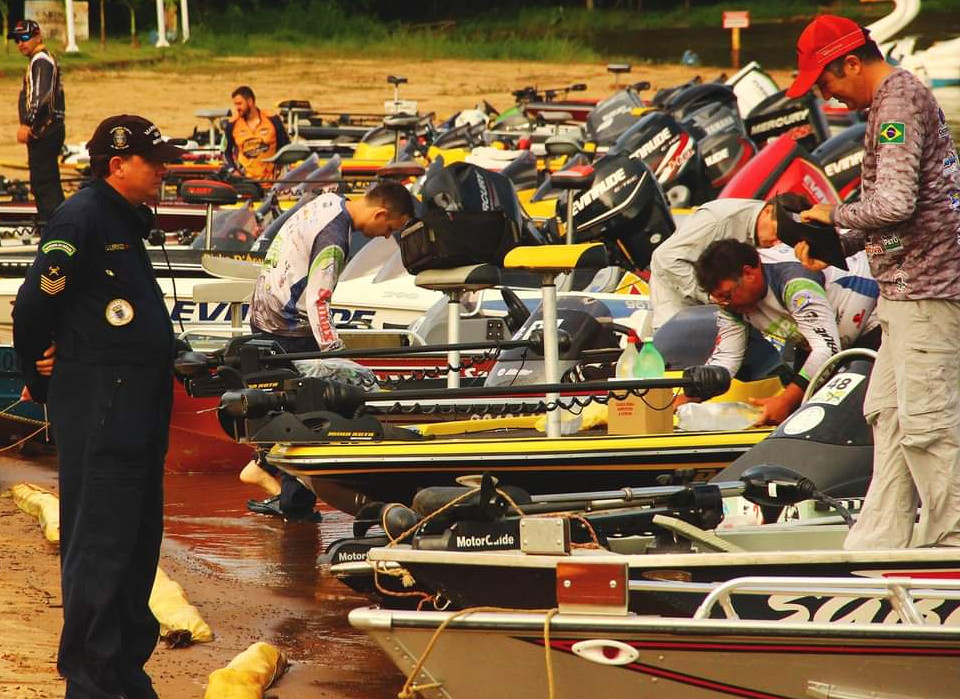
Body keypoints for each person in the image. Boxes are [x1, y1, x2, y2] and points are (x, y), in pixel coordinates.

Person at [13, 115, 185, 698]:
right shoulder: (82, 217)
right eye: (154, 159)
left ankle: (124, 673)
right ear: (117, 165)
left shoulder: (126, 221)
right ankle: (91, 683)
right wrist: (37, 364)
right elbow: (34, 302)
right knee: (101, 547)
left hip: (137, 410)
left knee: (138, 546)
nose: (164, 169)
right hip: (103, 409)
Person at [788, 15, 960, 549]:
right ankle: (878, 540)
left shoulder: (898, 104)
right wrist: (834, 246)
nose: (828, 97)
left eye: (827, 83)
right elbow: (904, 217)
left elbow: (893, 204)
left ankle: (951, 544)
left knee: (929, 424)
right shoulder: (893, 101)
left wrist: (832, 215)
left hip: (928, 290)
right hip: (905, 289)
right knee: (887, 415)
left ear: (852, 62)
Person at [242, 180, 415, 520]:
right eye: (388, 228)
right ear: (380, 212)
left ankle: (281, 488)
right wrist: (332, 353)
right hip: (289, 329)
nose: (383, 236)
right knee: (316, 413)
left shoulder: (328, 201)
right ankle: (289, 497)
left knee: (289, 409)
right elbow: (317, 299)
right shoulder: (335, 237)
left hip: (265, 317)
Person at [689, 239, 880, 426]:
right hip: (818, 340)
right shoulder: (730, 302)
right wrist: (690, 396)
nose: (726, 305)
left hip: (872, 328)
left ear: (748, 273)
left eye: (728, 296)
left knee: (852, 415)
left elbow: (827, 349)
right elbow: (727, 358)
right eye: (719, 300)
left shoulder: (795, 282)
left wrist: (785, 401)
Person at [649, 194, 809, 332]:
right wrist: (717, 298)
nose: (778, 242)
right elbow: (665, 258)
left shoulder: (763, 232)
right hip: (681, 313)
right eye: (778, 233)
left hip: (731, 309)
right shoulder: (718, 221)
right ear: (767, 211)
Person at [10, 19, 65, 228]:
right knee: (44, 182)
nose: (21, 43)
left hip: (45, 130)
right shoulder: (40, 59)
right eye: (17, 40)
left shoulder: (41, 61)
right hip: (47, 130)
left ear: (38, 36)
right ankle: (54, 226)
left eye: (25, 38)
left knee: (44, 184)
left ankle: (56, 230)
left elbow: (41, 97)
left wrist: (27, 123)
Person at [223, 85, 290, 181]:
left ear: (250, 101)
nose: (237, 108)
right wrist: (233, 171)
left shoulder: (272, 119)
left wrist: (280, 170)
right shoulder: (232, 124)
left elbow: (285, 146)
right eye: (235, 104)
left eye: (239, 104)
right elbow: (224, 152)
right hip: (246, 184)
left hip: (272, 182)